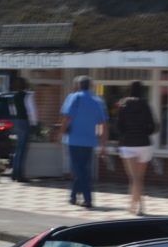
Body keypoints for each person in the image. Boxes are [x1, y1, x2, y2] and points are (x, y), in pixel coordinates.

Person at [56, 75, 108, 208]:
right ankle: (73, 196)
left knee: (80, 170)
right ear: (90, 86)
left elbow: (67, 118)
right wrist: (103, 144)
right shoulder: (97, 100)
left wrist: (60, 134)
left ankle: (88, 198)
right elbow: (103, 123)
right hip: (90, 141)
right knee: (82, 169)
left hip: (74, 139)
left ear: (79, 86)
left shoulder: (74, 97)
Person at [115, 81, 159, 216]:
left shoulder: (123, 106)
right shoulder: (146, 106)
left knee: (134, 178)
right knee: (139, 177)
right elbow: (153, 125)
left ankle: (138, 206)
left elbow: (118, 126)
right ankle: (135, 206)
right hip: (144, 144)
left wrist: (124, 134)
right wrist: (145, 133)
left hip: (128, 144)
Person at [10, 77, 37, 183]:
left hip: (17, 121)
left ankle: (14, 173)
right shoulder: (27, 96)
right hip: (25, 122)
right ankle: (20, 175)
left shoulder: (14, 97)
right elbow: (32, 110)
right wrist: (34, 123)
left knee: (17, 148)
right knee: (22, 149)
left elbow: (12, 110)